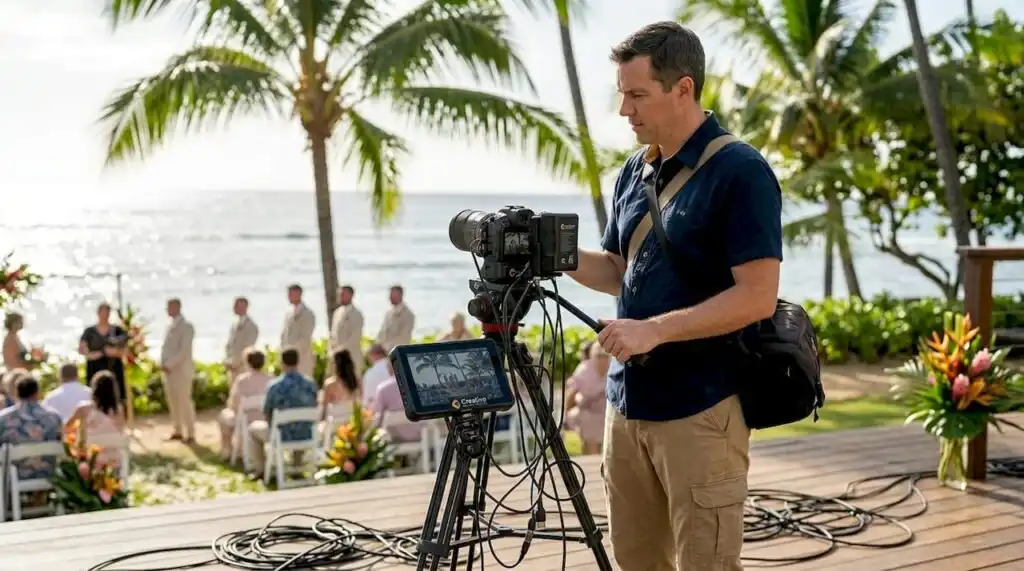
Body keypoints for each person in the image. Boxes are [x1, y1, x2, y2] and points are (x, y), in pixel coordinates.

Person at [566, 22, 782, 571]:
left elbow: (757, 297)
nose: (624, 111)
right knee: (636, 563)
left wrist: (654, 329)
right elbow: (619, 269)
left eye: (637, 95)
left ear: (682, 88)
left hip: (701, 410)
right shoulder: (634, 171)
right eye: (622, 95)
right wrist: (554, 254)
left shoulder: (741, 171)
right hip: (627, 405)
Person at [247, 347, 318, 474]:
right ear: (298, 361)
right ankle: (297, 466)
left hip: (282, 435)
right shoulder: (310, 384)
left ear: (282, 363)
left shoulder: (274, 387)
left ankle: (260, 469)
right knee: (300, 424)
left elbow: (266, 412)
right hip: (307, 433)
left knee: (252, 429)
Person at [0, 372, 63, 481]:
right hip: (49, 474)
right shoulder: (54, 416)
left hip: (16, 477)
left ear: (17, 393)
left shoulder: (4, 418)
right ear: (37, 392)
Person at [217, 347, 272, 459]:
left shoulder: (242, 380)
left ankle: (227, 450)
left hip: (245, 419)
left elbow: (233, 403)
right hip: (265, 418)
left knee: (223, 416)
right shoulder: (271, 380)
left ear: (247, 363)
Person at [64, 371, 127, 468]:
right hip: (115, 463)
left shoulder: (84, 408)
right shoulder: (119, 410)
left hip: (91, 463)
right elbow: (120, 431)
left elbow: (65, 428)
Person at [79, 302, 128, 410]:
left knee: (116, 397)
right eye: (102, 313)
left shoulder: (117, 331)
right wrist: (91, 354)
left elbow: (125, 350)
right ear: (98, 313)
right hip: (94, 368)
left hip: (114, 368)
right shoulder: (89, 331)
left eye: (107, 313)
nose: (104, 315)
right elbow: (82, 349)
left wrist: (114, 352)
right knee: (94, 397)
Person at [563, 341, 609, 455]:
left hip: (608, 412)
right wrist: (565, 416)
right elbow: (571, 393)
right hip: (588, 411)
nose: (602, 359)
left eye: (605, 355)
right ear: (592, 356)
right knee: (588, 421)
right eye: (598, 356)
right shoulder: (584, 370)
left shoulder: (615, 367)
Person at [160, 298, 196, 443]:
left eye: (170, 307)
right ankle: (177, 430)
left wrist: (171, 364)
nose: (168, 310)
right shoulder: (170, 325)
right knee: (173, 401)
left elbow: (184, 350)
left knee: (184, 401)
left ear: (178, 307)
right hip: (169, 371)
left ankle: (190, 433)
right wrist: (163, 363)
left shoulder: (186, 326)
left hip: (181, 370)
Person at [281, 284, 316, 379]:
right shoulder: (288, 315)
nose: (289, 297)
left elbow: (305, 337)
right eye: (288, 294)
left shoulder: (308, 314)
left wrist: (291, 354)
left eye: (291, 294)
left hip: (302, 358)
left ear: (299, 294)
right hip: (288, 361)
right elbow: (284, 336)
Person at [330, 285, 365, 377]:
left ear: (351, 295)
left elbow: (355, 337)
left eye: (343, 294)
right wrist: (331, 351)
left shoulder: (357, 315)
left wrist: (340, 350)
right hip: (336, 358)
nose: (340, 297)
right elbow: (333, 335)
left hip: (351, 357)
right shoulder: (337, 313)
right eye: (339, 294)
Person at [223, 296, 259, 382]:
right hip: (232, 368)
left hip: (242, 368)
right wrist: (227, 360)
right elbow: (229, 345)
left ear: (245, 307)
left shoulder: (251, 326)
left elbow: (248, 347)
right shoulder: (234, 325)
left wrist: (235, 363)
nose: (234, 308)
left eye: (236, 305)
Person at [320, 349, 361, 421]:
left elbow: (324, 411)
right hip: (353, 426)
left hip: (336, 427)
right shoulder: (357, 382)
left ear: (336, 365)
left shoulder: (329, 384)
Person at [375, 285, 415, 351]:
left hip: (396, 352)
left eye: (393, 295)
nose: (390, 297)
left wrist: (385, 347)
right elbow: (382, 333)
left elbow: (404, 338)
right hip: (383, 352)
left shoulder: (408, 315)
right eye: (390, 295)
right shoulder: (388, 313)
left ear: (400, 295)